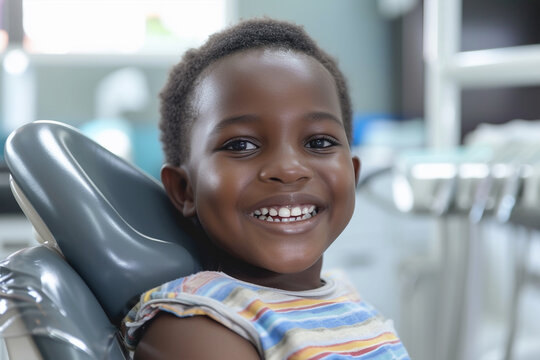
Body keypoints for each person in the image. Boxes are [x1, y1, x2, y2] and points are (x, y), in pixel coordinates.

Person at [122, 18, 409, 360]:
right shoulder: (201, 323)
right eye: (241, 145)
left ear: (353, 174)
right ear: (185, 189)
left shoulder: (349, 301)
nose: (288, 169)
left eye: (318, 141)